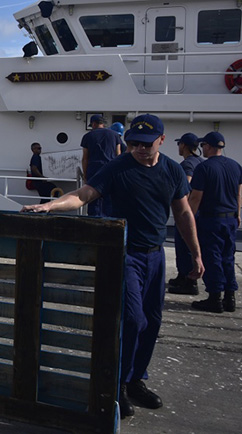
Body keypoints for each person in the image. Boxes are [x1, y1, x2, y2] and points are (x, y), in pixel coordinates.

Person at [22, 114, 203, 419]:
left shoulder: (172, 170)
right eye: (133, 143)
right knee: (133, 320)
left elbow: (184, 213)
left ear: (161, 139)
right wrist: (50, 205)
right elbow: (84, 194)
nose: (139, 149)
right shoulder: (118, 167)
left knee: (153, 321)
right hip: (126, 252)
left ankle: (135, 381)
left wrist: (197, 255)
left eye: (145, 144)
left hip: (156, 255)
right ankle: (117, 383)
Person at [188, 132, 242, 313]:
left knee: (213, 258)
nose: (202, 148)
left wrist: (188, 220)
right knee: (228, 257)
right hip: (230, 218)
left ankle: (215, 297)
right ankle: (230, 296)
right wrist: (238, 213)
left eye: (204, 145)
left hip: (212, 220)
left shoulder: (204, 168)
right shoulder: (235, 166)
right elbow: (238, 194)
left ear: (209, 146)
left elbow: (195, 198)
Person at [168, 133, 203, 295]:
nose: (179, 147)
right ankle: (183, 276)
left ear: (184, 145)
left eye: (179, 144)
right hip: (201, 212)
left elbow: (186, 187)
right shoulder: (200, 162)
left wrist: (182, 210)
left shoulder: (188, 164)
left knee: (184, 247)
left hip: (189, 211)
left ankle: (188, 282)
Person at [81, 114, 121, 216]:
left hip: (94, 169)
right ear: (103, 123)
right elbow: (118, 155)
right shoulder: (115, 135)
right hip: (110, 169)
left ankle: (93, 224)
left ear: (93, 124)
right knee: (109, 199)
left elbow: (85, 158)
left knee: (93, 198)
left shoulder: (87, 136)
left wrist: (85, 175)